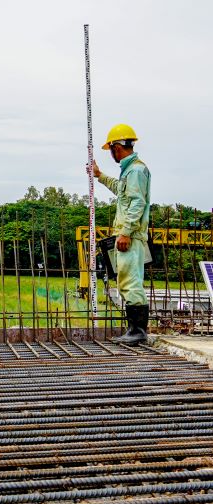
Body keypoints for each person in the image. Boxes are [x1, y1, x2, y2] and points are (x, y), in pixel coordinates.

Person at [89, 123, 152, 345]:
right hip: (131, 235)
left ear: (117, 147)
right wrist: (100, 175)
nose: (112, 154)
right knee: (127, 279)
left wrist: (125, 233)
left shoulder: (135, 170)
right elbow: (121, 190)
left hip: (131, 236)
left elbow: (137, 203)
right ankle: (135, 330)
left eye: (112, 150)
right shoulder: (131, 170)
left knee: (129, 281)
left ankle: (138, 331)